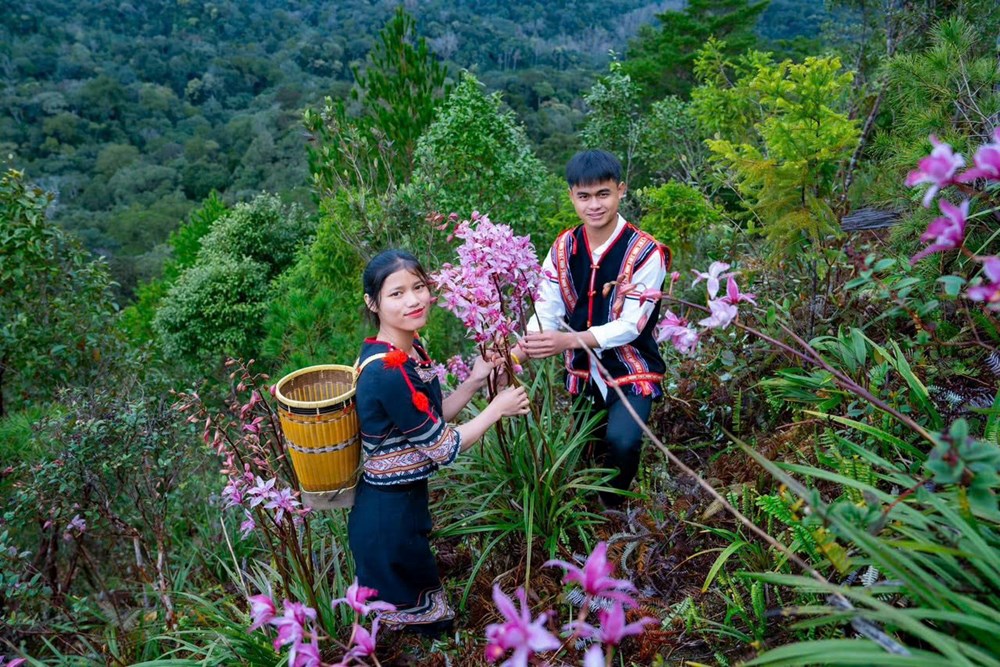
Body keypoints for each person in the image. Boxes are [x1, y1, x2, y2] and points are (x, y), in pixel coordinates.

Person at [349, 249, 530, 636]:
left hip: (402, 507)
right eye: (396, 293)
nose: (413, 300)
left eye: (419, 287)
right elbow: (442, 446)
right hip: (386, 522)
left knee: (428, 617)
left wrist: (475, 379)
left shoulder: (409, 350)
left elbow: (428, 420)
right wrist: (496, 408)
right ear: (373, 303)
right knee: (421, 633)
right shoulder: (386, 371)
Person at [516, 149, 668, 508]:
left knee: (623, 441)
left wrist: (567, 340)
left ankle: (616, 510)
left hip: (631, 366)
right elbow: (546, 309)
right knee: (589, 447)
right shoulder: (563, 247)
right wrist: (517, 352)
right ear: (571, 196)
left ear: (621, 190)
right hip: (582, 372)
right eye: (583, 196)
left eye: (603, 194)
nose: (594, 205)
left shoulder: (646, 252)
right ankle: (594, 517)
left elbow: (632, 324)